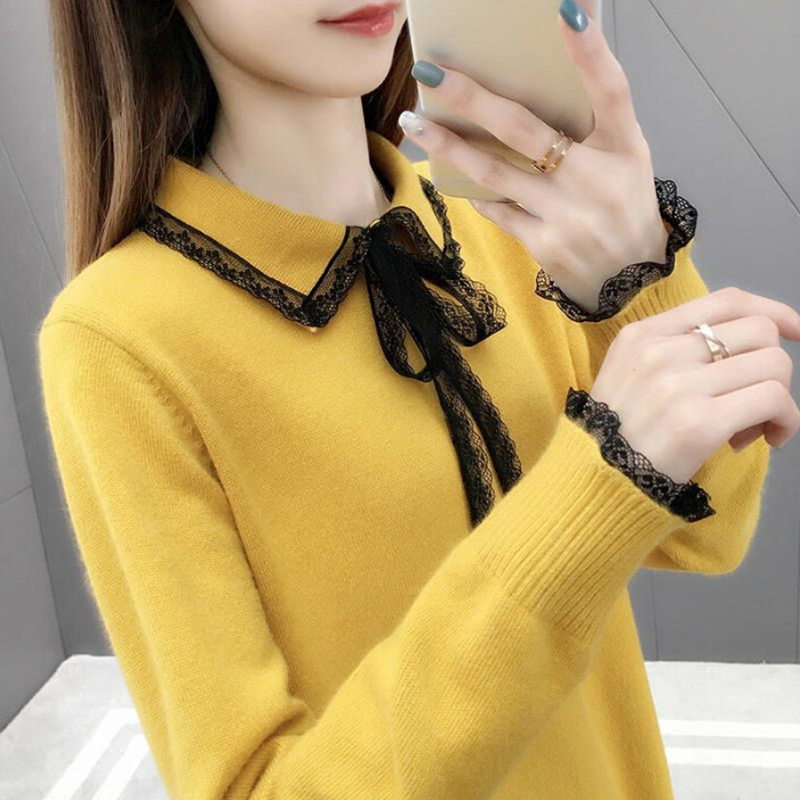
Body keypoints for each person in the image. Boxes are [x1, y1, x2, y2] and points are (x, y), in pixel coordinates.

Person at [38, 0, 798, 798]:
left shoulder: (501, 209)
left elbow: (710, 536)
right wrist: (594, 488)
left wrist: (641, 274)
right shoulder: (118, 341)